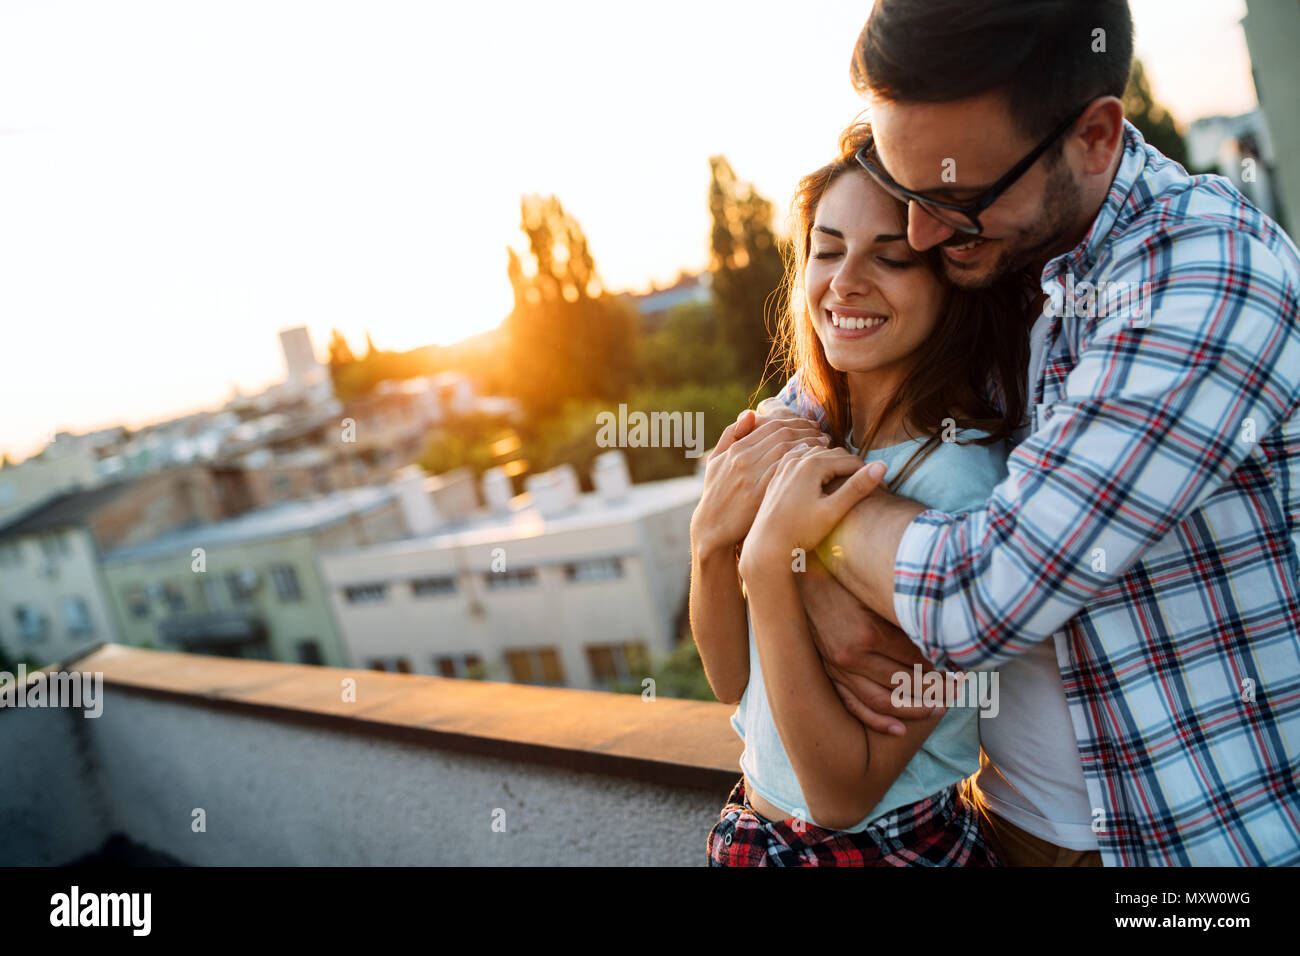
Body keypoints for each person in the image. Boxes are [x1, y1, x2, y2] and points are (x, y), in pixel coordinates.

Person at [751, 0, 1300, 866]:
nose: (924, 235)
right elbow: (773, 435)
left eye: (955, 198)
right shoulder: (990, 252)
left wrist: (797, 538)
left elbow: (982, 594)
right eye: (908, 193)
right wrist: (804, 568)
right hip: (1002, 834)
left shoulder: (1206, 275)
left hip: (1198, 850)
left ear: (1094, 136)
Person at [690, 120, 1034, 865]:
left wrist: (767, 562)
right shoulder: (808, 429)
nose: (845, 281)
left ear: (949, 280)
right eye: (828, 248)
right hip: (758, 828)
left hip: (883, 849)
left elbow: (843, 795)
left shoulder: (956, 482)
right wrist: (710, 543)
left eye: (891, 257)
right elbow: (730, 682)